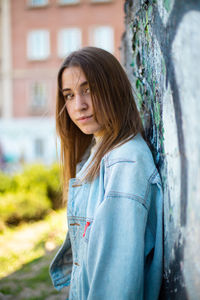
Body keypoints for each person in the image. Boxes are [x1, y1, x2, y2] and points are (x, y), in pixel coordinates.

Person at [49, 47, 163, 300]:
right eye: (69, 95)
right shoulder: (96, 153)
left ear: (114, 88)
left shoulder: (125, 163)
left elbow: (115, 286)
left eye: (88, 90)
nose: (79, 105)